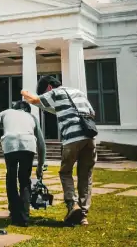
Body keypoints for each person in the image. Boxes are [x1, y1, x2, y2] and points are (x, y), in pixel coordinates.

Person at [21, 76, 96, 227]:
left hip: (72, 138)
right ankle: (83, 216)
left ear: (49, 87)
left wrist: (23, 92)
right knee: (85, 175)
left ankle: (72, 205)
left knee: (65, 172)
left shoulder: (55, 93)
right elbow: (92, 113)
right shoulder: (78, 92)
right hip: (90, 137)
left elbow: (34, 100)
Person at [0, 100, 46, 227]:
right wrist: (40, 167)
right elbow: (41, 144)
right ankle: (24, 217)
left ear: (15, 108)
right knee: (25, 180)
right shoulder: (32, 117)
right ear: (27, 110)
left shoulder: (5, 113)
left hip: (10, 144)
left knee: (11, 178)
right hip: (28, 144)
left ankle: (14, 213)